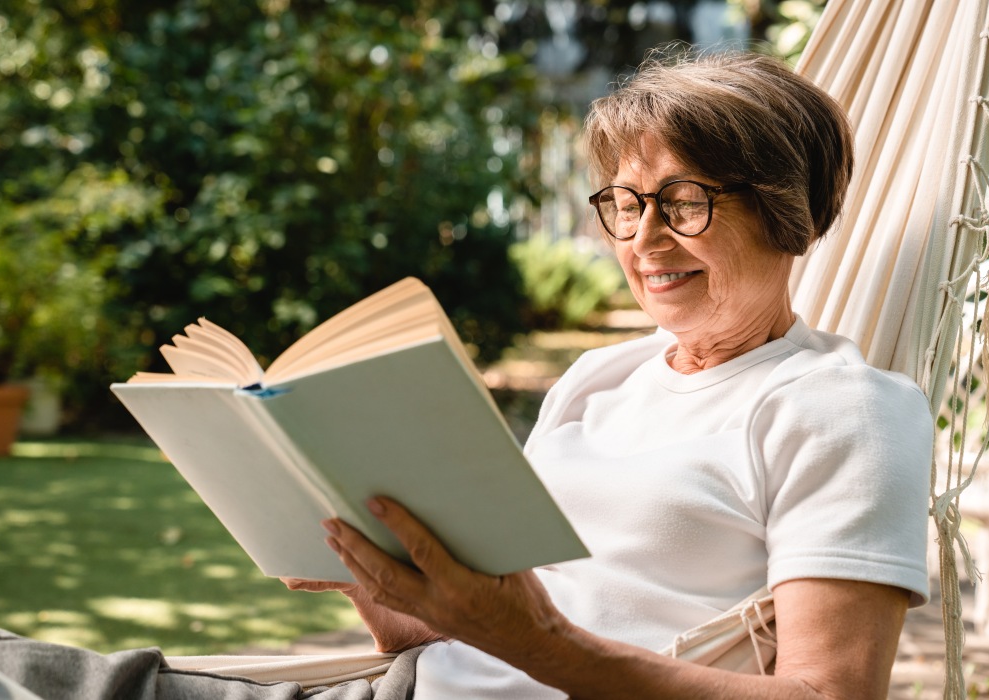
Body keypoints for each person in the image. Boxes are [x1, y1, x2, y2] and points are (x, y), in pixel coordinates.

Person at [284, 49, 933, 700]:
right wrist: (370, 580)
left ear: (784, 212)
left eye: (683, 202)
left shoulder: (843, 410)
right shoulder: (599, 377)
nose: (643, 239)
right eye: (625, 203)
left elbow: (832, 693)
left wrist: (536, 644)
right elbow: (489, 637)